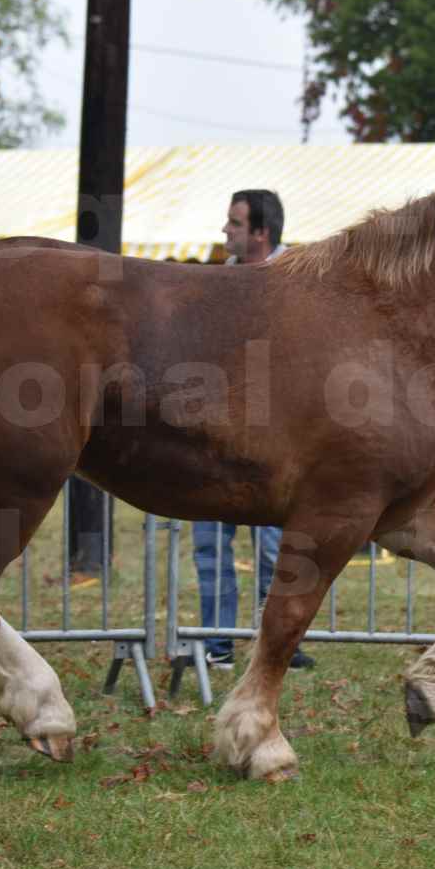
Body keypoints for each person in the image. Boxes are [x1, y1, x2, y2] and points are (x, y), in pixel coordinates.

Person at [194, 190, 314, 670]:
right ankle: (218, 642)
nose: (226, 231)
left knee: (278, 546)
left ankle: (279, 642)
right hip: (213, 432)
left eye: (234, 223)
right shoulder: (217, 282)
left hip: (278, 437)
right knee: (210, 541)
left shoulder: (300, 281)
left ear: (260, 232)